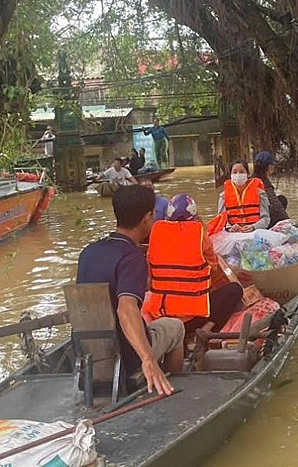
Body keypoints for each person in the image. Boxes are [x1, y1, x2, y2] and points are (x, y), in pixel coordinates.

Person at [76, 186, 183, 396]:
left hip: (87, 354)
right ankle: (165, 386)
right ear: (147, 217)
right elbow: (126, 310)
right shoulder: (132, 258)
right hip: (128, 354)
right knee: (176, 327)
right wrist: (147, 359)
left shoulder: (87, 252)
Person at [144, 194, 244, 334]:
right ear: (195, 217)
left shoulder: (156, 234)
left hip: (161, 314)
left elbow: (150, 272)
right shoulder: (199, 235)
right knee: (235, 290)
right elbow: (213, 269)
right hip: (191, 318)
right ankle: (206, 329)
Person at [218, 160, 269, 232]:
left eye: (242, 172)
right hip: (232, 234)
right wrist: (229, 227)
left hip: (255, 232)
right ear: (230, 175)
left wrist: (254, 227)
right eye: (234, 172)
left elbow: (266, 219)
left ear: (247, 174)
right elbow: (220, 220)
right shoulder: (223, 196)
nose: (238, 175)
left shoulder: (260, 193)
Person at [252, 150, 290, 224]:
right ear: (269, 166)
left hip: (253, 215)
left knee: (280, 199)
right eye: (272, 164)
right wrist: (288, 221)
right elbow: (276, 205)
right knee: (282, 200)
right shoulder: (264, 182)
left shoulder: (252, 178)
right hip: (262, 218)